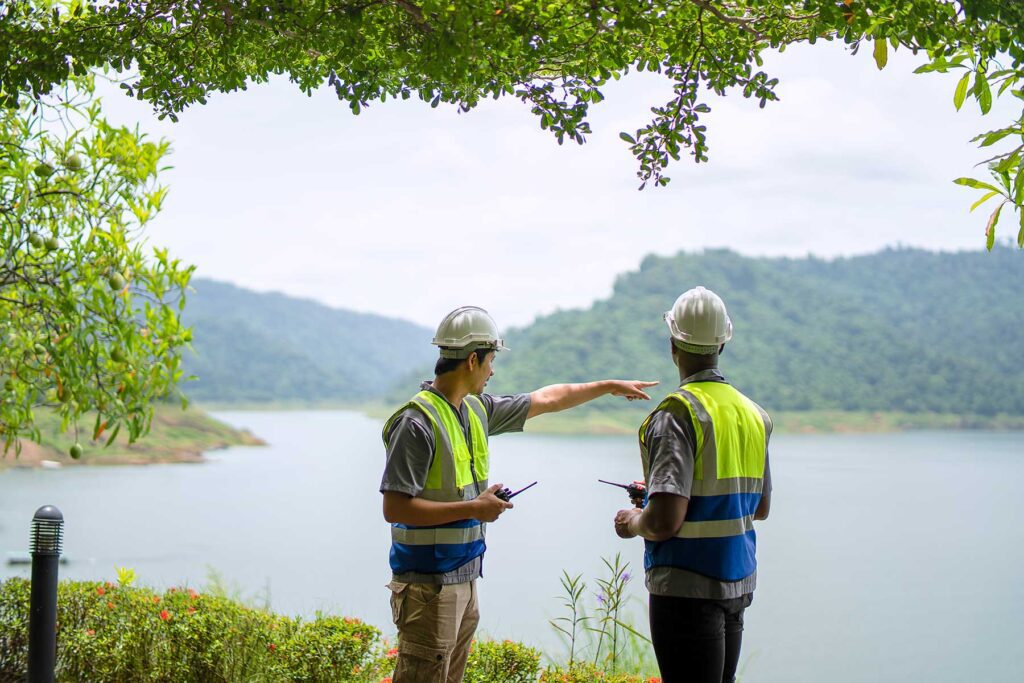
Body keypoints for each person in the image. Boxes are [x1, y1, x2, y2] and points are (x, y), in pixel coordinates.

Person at [381, 305, 656, 683]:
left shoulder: (475, 409)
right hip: (428, 585)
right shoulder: (416, 422)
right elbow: (396, 507)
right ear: (473, 360)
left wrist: (607, 386)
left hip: (464, 577)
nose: (493, 371)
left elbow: (547, 399)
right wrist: (474, 508)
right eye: (491, 361)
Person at [613, 286, 772, 683]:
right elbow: (759, 506)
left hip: (686, 587)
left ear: (673, 345)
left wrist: (632, 520)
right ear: (722, 343)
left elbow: (663, 522)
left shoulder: (677, 414)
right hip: (737, 582)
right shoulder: (753, 414)